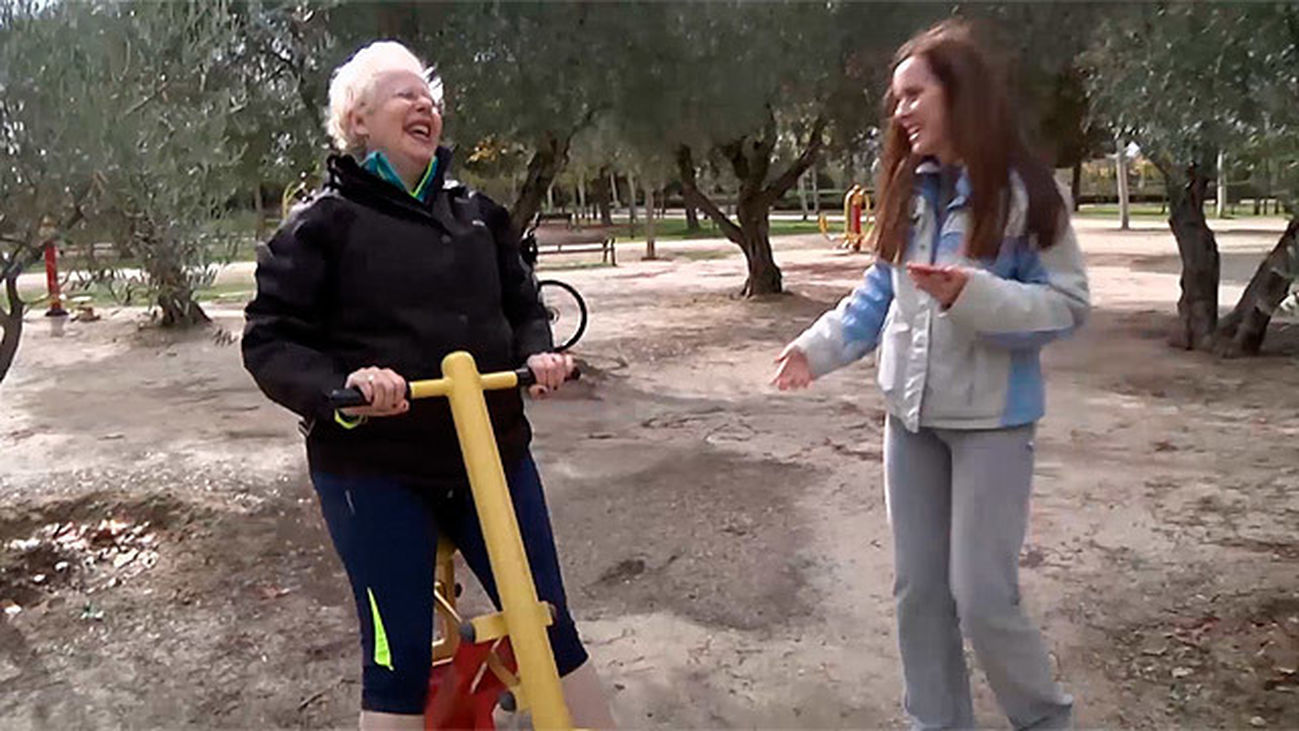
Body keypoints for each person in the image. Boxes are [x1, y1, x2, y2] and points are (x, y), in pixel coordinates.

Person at [242, 40, 615, 730]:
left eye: (430, 97)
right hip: (374, 472)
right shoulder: (318, 226)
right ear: (358, 120)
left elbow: (525, 308)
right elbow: (270, 339)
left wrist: (538, 354)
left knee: (547, 622)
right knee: (396, 655)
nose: (425, 105)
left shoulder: (477, 214)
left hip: (491, 456)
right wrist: (343, 388)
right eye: (403, 95)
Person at [773, 20, 1088, 731]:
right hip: (909, 423)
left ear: (958, 93)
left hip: (992, 425)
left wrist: (970, 295)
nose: (900, 111)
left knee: (981, 595)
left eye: (914, 93)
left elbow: (1066, 307)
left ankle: (1045, 720)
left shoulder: (1023, 194)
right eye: (895, 99)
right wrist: (813, 349)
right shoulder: (906, 191)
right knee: (918, 592)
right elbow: (875, 297)